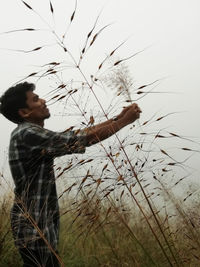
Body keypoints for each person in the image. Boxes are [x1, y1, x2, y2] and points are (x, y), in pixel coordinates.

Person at [0, 82, 141, 266]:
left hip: (38, 227)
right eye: (35, 99)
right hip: (34, 230)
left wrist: (118, 117)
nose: (43, 101)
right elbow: (81, 139)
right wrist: (124, 121)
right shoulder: (27, 134)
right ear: (24, 112)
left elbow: (80, 134)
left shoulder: (30, 133)